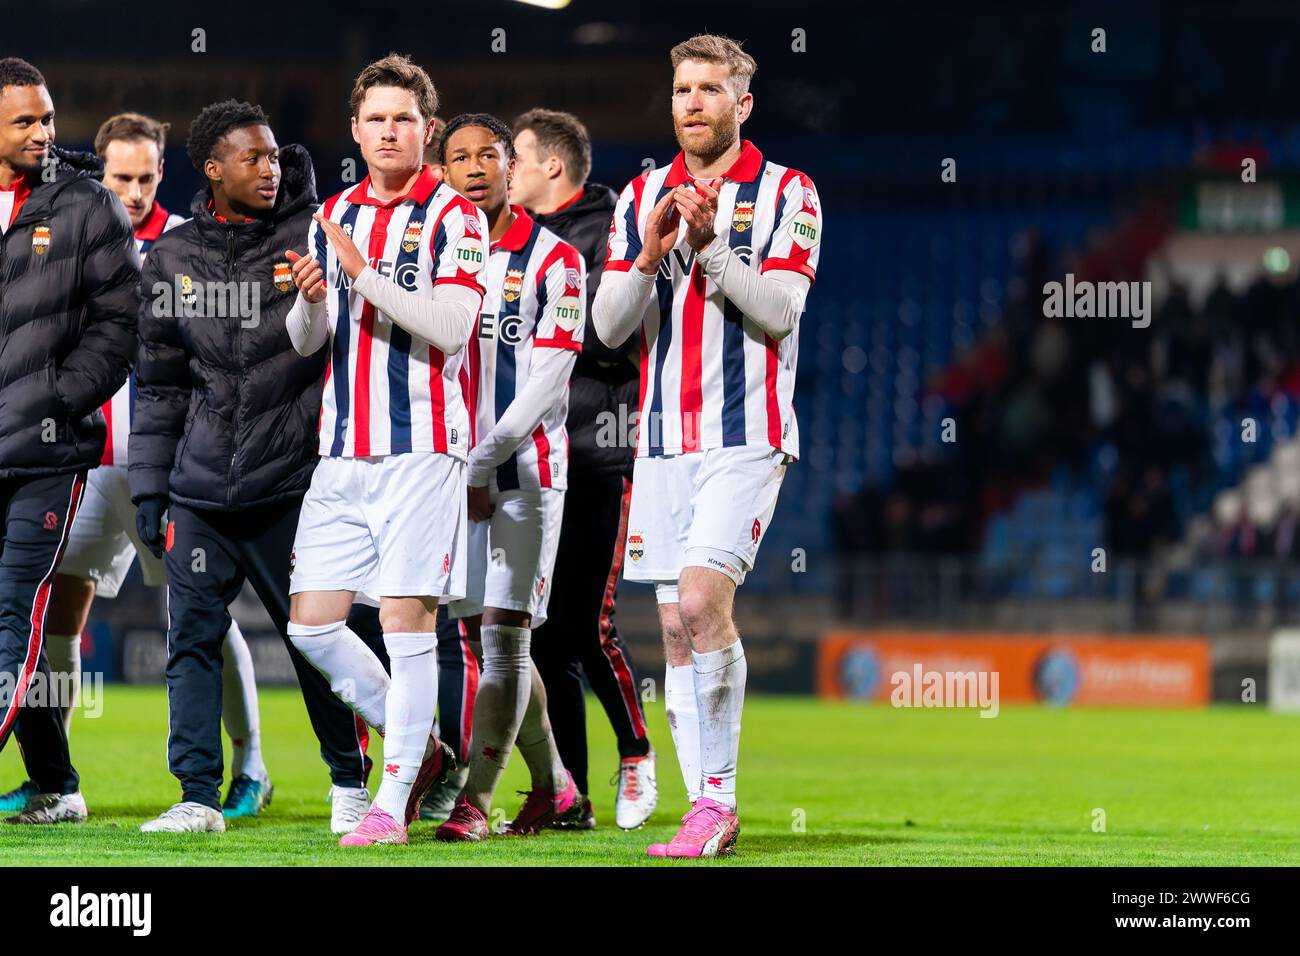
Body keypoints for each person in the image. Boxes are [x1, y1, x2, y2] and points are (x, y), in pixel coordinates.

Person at [0, 111, 273, 820]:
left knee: (207, 618)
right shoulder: (64, 232)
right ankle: (54, 779)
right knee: (51, 620)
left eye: (147, 176)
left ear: (162, 173)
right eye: (120, 176)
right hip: (83, 464)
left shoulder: (190, 246)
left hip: (168, 468)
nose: (133, 190)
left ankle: (251, 767)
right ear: (101, 170)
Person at [592, 34, 823, 857]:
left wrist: (713, 249)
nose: (692, 102)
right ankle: (702, 809)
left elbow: (781, 312)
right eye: (682, 88)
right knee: (674, 630)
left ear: (742, 103)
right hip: (661, 441)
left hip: (747, 433)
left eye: (710, 88)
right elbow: (609, 330)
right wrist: (654, 251)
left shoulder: (788, 192)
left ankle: (717, 804)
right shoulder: (643, 193)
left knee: (698, 603)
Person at [130, 100, 383, 834]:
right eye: (252, 159)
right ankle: (198, 798)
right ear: (213, 170)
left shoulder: (315, 235)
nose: (269, 169)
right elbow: (162, 383)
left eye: (274, 156)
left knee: (313, 641)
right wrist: (151, 488)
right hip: (201, 486)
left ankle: (350, 783)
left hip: (294, 484)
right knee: (191, 642)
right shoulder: (171, 259)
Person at [284, 53, 484, 848]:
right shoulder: (332, 214)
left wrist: (362, 277)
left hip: (423, 450)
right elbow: (310, 342)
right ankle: (423, 747)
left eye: (405, 118)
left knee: (407, 620)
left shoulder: (454, 217)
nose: (389, 130)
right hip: (342, 451)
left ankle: (390, 802)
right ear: (356, 130)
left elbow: (453, 328)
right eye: (376, 118)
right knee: (311, 625)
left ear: (427, 130)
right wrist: (307, 300)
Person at [427, 113, 581, 841]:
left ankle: (475, 801)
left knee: (502, 638)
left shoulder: (557, 263)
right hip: (448, 478)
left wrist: (479, 464)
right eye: (459, 158)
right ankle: (557, 789)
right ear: (445, 171)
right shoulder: (430, 251)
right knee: (498, 644)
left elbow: (546, 386)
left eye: (491, 154)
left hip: (523, 477)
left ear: (511, 168)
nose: (477, 168)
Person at [0, 58, 140, 825]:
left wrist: (55, 400)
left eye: (46, 117)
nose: (43, 132)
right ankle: (54, 782)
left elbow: (120, 327)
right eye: (24, 120)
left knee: (12, 612)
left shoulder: (86, 205)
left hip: (48, 454)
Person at [509, 108, 656, 830]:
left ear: (554, 168)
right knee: (541, 635)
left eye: (518, 159)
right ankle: (570, 794)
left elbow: (601, 337)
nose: (506, 172)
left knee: (586, 624)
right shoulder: (515, 239)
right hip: (539, 458)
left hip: (600, 450)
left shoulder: (609, 230)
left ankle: (636, 751)